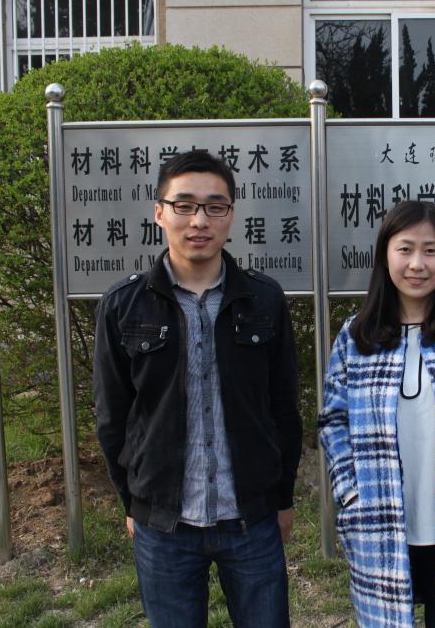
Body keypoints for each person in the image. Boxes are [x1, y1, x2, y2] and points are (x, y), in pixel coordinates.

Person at [94, 150, 302, 627]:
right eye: (184, 205)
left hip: (250, 518)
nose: (199, 221)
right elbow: (113, 417)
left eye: (214, 206)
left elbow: (283, 409)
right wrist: (133, 502)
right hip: (164, 526)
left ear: (231, 214)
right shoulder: (123, 305)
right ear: (159, 212)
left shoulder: (264, 298)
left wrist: (283, 497)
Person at [318, 200, 435, 627]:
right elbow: (333, 421)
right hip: (377, 519)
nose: (417, 264)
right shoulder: (356, 337)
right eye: (405, 249)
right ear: (385, 255)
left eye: (431, 250)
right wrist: (350, 490)